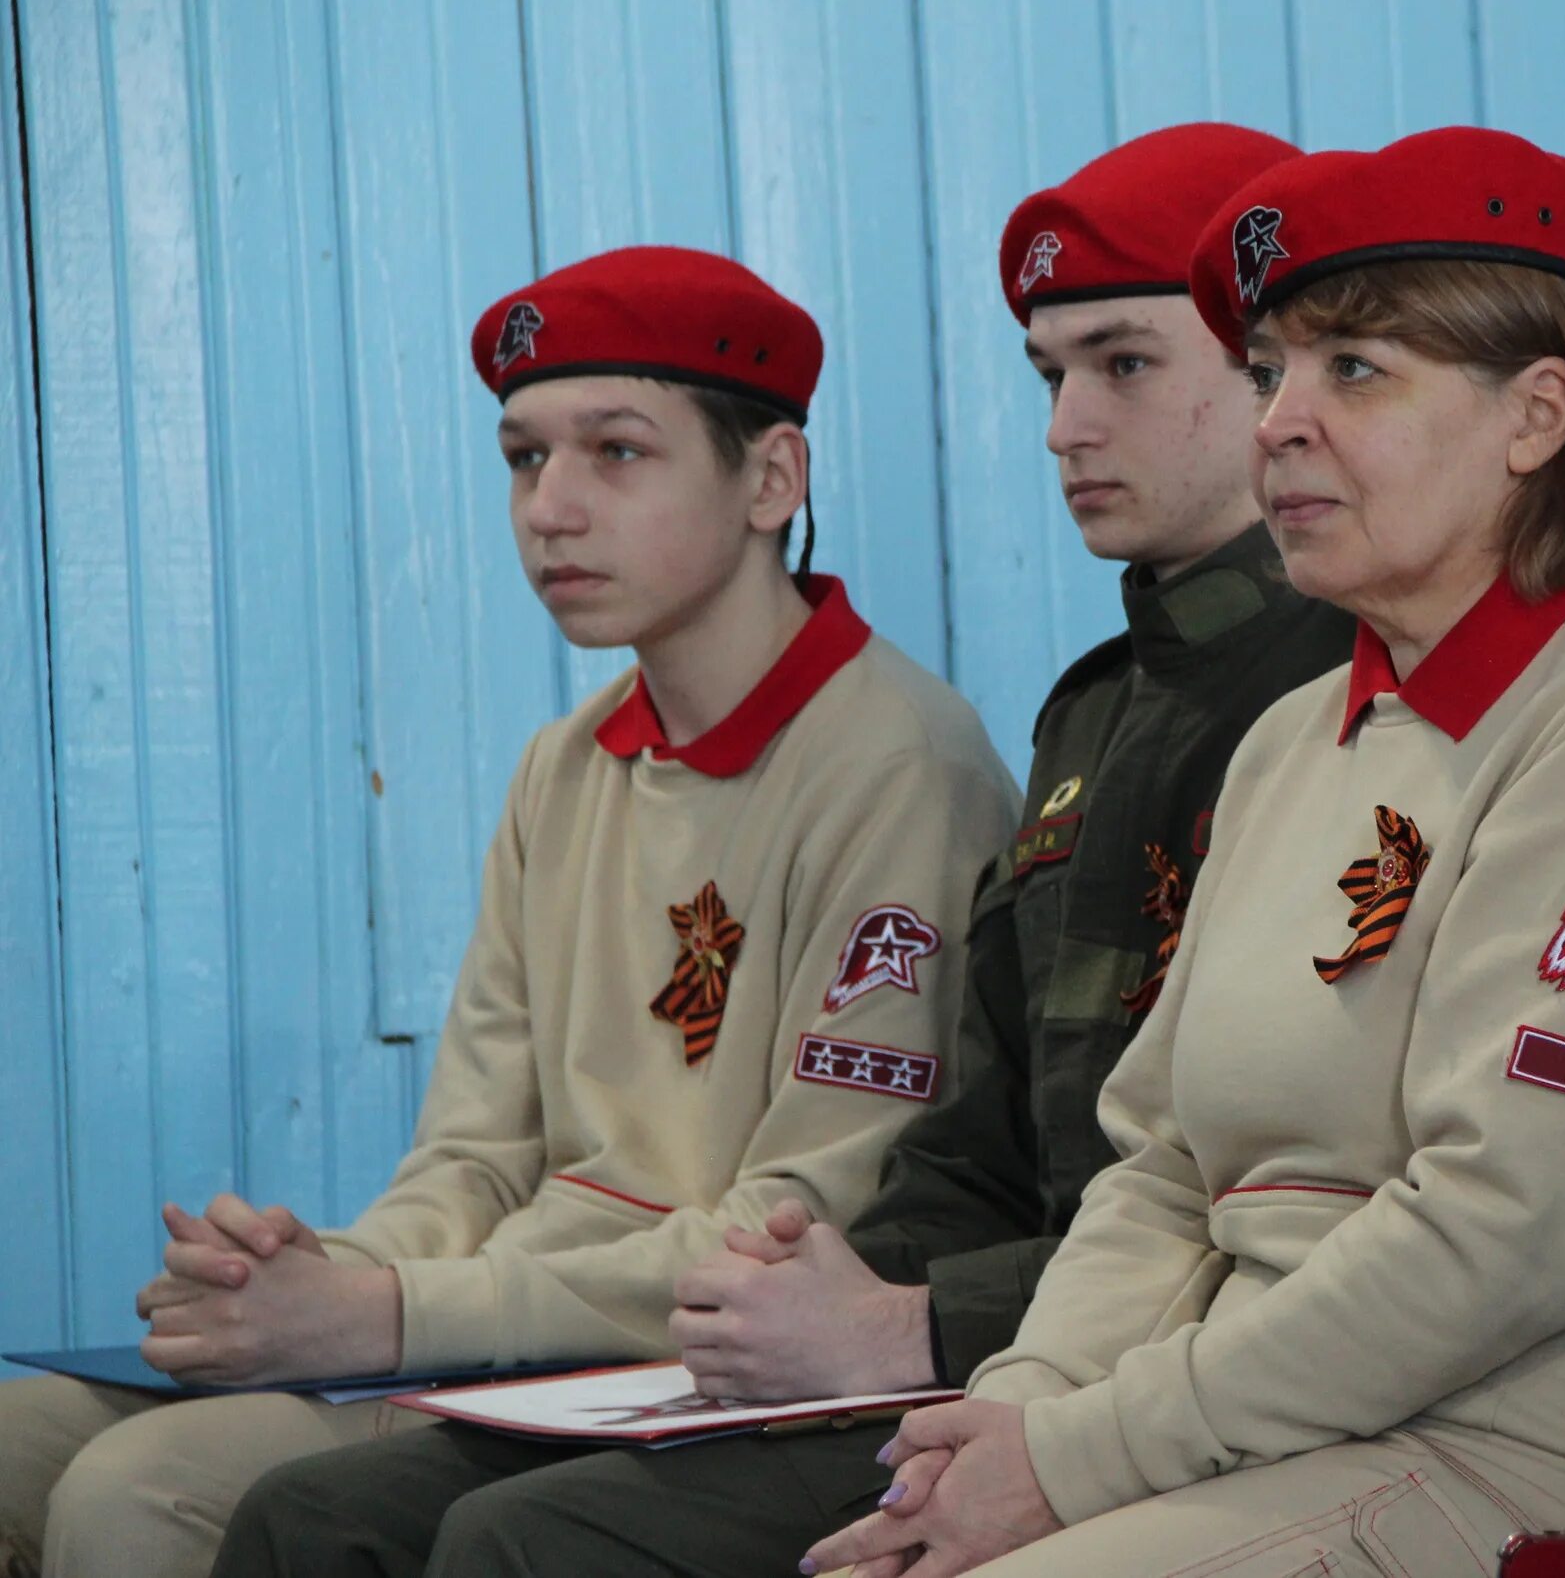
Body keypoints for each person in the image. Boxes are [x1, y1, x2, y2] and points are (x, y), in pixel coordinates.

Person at [207, 124, 1354, 1577]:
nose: (1062, 424)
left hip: (1137, 1356)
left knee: (525, 1544)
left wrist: (910, 1320)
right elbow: (983, 1140)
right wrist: (835, 1295)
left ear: (1269, 377)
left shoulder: (1325, 700)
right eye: (1047, 374)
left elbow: (1250, 1191)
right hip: (1001, 1327)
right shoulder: (1101, 712)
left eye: (1121, 364)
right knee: (319, 1520)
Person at [809, 125, 1565, 1578]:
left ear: (1537, 416)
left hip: (1536, 1446)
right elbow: (1156, 1167)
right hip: (1265, 1425)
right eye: (1272, 369)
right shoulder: (1299, 737)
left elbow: (1499, 1236)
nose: (1280, 418)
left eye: (1354, 371)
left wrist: (1078, 1452)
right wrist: (1012, 1410)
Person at [0, 246, 1018, 1578]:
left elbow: (801, 1230)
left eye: (616, 452)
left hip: (687, 1361)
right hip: (515, 1334)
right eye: (525, 457)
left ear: (772, 478)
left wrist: (386, 1311)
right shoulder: (570, 760)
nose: (552, 507)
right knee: (21, 1436)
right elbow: (475, 1158)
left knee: (139, 1494)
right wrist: (298, 1282)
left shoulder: (901, 766)